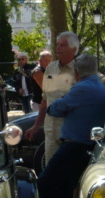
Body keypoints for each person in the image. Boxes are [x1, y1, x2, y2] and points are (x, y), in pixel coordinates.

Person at [36, 54, 105, 198]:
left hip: (76, 145)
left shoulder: (81, 88)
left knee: (46, 181)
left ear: (76, 72)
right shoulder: (98, 86)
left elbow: (55, 109)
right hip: (86, 144)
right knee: (65, 187)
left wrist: (61, 97)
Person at [25, 32, 79, 169]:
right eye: (57, 44)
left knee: (70, 174)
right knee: (51, 173)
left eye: (63, 45)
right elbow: (45, 99)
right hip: (50, 132)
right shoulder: (50, 68)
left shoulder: (80, 69)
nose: (58, 48)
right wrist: (36, 125)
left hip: (71, 134)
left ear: (74, 49)